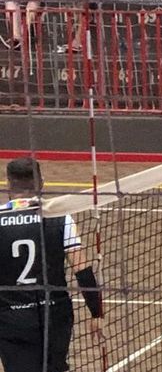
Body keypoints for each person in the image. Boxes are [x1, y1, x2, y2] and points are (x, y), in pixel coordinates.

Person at [0, 158, 105, 372]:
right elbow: (82, 269)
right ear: (42, 183)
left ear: (8, 184)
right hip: (54, 314)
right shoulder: (60, 217)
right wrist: (96, 312)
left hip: (11, 317)